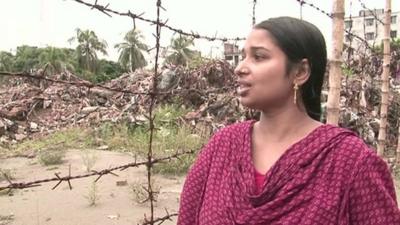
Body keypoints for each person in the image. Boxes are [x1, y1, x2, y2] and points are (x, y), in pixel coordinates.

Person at [177, 17, 400, 225]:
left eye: (259, 57)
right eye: (243, 55)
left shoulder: (350, 162)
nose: (239, 68)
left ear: (300, 72)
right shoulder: (222, 146)